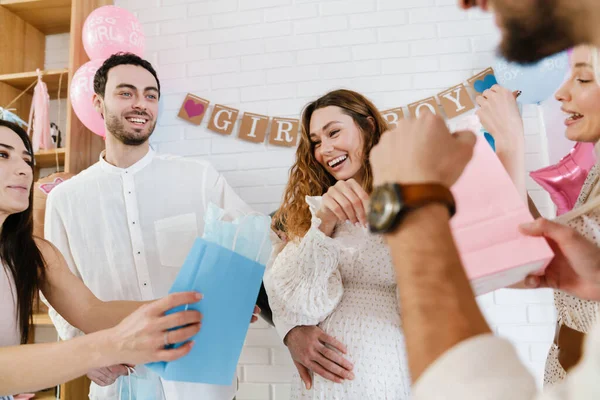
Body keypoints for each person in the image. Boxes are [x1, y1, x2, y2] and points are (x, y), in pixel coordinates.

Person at [361, 0, 600, 398]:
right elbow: (525, 246)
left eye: (584, 78)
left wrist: (410, 201)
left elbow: (473, 388)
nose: (560, 93)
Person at [44, 53, 257, 400]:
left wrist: (238, 292)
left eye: (151, 95)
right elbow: (56, 290)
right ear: (98, 103)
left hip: (201, 383)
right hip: (119, 384)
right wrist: (80, 349)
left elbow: (250, 242)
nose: (141, 104)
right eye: (126, 93)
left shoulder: (199, 178)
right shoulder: (65, 199)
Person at [0, 118, 202, 398]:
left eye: (27, 159)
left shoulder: (35, 252)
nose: (23, 169)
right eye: (2, 155)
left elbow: (92, 312)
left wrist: (199, 308)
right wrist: (103, 347)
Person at [265, 89, 411, 399]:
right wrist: (325, 221)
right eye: (316, 141)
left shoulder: (412, 194)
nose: (325, 149)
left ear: (368, 127)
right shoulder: (308, 211)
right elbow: (291, 298)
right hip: (324, 380)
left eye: (334, 132)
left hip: (392, 364)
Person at [476, 44, 600, 384]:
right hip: (565, 373)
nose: (560, 93)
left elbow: (519, 263)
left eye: (584, 79)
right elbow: (540, 240)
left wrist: (511, 141)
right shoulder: (597, 173)